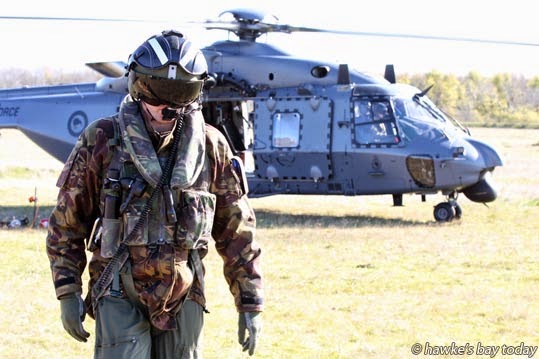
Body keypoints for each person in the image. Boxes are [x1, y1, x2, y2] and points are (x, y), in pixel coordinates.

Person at [46, 30, 263, 358]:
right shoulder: (103, 140)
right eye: (157, 92)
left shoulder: (209, 145)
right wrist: (67, 291)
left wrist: (249, 301)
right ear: (136, 86)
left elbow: (238, 231)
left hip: (185, 292)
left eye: (180, 93)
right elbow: (67, 223)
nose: (167, 107)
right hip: (117, 288)